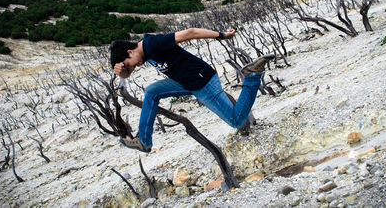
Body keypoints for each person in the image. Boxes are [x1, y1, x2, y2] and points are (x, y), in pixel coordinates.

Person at [110, 28, 274, 152]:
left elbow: (190, 32)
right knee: (152, 91)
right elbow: (128, 74)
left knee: (236, 120)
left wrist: (222, 35)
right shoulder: (143, 51)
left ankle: (252, 76)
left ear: (130, 51)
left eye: (131, 64)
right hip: (185, 82)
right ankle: (144, 142)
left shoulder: (152, 44)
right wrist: (122, 71)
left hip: (202, 81)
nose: (134, 67)